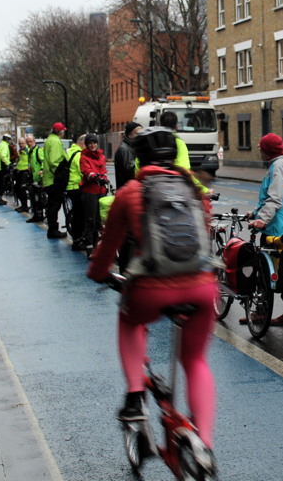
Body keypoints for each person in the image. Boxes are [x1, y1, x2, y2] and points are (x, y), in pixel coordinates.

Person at [86, 127, 217, 465]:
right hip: (202, 287)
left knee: (129, 320)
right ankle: (204, 443)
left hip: (152, 288)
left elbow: (109, 245)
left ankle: (134, 396)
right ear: (175, 155)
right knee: (196, 361)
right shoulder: (193, 188)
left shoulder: (131, 191)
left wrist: (98, 273)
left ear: (140, 158)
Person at [241, 133, 283, 326]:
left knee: (269, 272)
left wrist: (262, 220)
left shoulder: (278, 167)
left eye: (260, 148)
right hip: (281, 228)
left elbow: (275, 198)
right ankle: (281, 313)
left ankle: (274, 314)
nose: (259, 151)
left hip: (275, 230)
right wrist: (255, 213)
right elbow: (270, 197)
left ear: (266, 150)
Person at [75, 133, 107, 252]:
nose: (93, 145)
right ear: (87, 145)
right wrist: (94, 176)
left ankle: (98, 246)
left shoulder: (102, 157)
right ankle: (89, 247)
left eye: (94, 143)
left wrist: (103, 179)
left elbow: (103, 170)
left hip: (101, 190)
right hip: (90, 191)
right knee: (90, 220)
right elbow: (86, 170)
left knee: (100, 221)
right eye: (90, 143)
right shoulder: (84, 157)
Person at [43, 122, 68, 239]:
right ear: (60, 132)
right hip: (54, 180)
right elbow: (55, 161)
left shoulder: (49, 140)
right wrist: (62, 174)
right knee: (54, 205)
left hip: (48, 179)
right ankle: (53, 230)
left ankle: (52, 228)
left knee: (52, 205)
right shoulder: (56, 141)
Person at [66, 134, 86, 247]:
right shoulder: (78, 154)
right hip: (76, 186)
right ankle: (77, 240)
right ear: (83, 143)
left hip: (70, 186)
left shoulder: (71, 151)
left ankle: (77, 237)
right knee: (80, 214)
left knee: (77, 213)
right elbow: (82, 170)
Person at [114, 122, 141, 190]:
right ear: (130, 134)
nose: (141, 135)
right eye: (137, 133)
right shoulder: (125, 149)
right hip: (128, 190)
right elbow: (131, 173)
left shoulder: (133, 147)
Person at [25, 134, 46, 223]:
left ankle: (39, 215)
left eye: (31, 141)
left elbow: (43, 161)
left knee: (38, 199)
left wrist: (41, 170)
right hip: (33, 177)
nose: (29, 143)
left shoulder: (38, 151)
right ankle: (36, 215)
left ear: (34, 141)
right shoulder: (30, 151)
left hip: (39, 178)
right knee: (33, 198)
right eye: (28, 142)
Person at [13, 136, 30, 213]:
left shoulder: (28, 151)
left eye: (22, 143)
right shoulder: (20, 151)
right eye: (20, 143)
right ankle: (23, 205)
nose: (21, 145)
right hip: (19, 171)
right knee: (17, 188)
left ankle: (25, 206)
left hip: (25, 171)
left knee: (21, 188)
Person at [0, 134, 12, 206]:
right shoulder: (5, 146)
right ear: (8, 139)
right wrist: (8, 164)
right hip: (3, 167)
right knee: (2, 184)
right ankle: (0, 199)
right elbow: (3, 156)